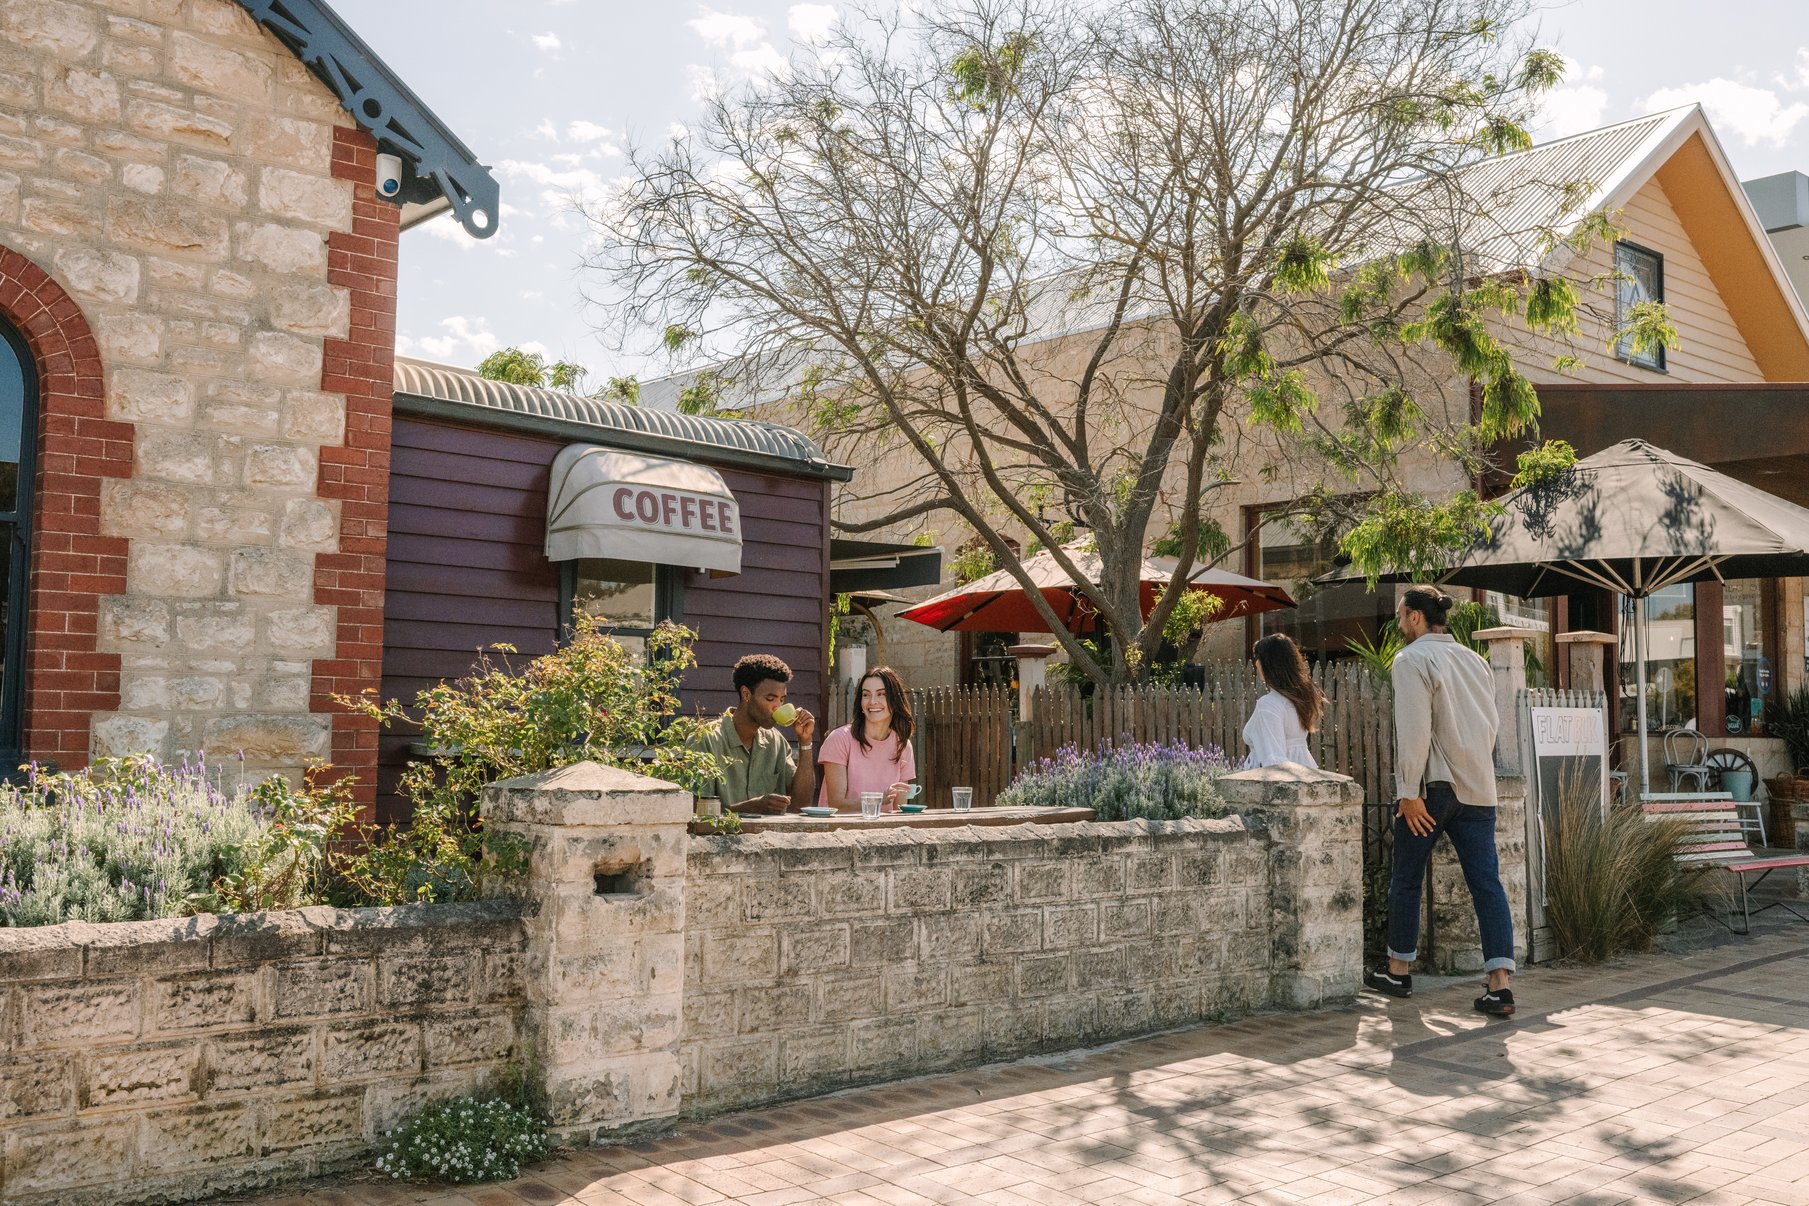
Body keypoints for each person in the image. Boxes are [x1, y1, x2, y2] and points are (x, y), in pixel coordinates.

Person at [1364, 586, 1518, 1017]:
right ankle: (1500, 986)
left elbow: (1413, 731)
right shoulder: (1475, 661)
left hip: (1433, 788)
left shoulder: (1411, 660)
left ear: (1415, 617)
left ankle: (1398, 970)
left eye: (1400, 616)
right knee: (1487, 884)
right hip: (1479, 787)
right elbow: (1491, 724)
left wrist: (1408, 792)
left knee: (1407, 878)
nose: (1397, 623)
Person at [693, 654, 816, 814]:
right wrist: (749, 808)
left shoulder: (777, 742)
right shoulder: (706, 739)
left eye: (782, 700)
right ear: (746, 694)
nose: (777, 706)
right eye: (770, 699)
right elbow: (695, 812)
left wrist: (805, 742)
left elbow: (801, 804)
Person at [818, 666, 917, 810]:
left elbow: (899, 809)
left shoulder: (903, 746)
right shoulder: (839, 739)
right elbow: (836, 804)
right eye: (866, 695)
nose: (872, 701)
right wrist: (877, 801)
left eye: (881, 694)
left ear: (895, 700)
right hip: (841, 829)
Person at [1242, 633, 1322, 769]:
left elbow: (1274, 760)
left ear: (1270, 663)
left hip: (1276, 782)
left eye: (1259, 658)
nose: (1256, 663)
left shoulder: (1268, 704)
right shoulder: (1299, 699)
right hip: (1305, 770)